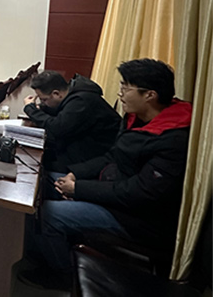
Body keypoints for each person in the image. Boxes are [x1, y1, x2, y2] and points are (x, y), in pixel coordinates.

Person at [19, 59, 192, 290]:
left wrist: (79, 189)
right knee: (42, 182)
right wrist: (75, 175)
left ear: (149, 95)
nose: (120, 94)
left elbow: (139, 192)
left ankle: (63, 274)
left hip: (135, 217)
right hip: (110, 188)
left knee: (47, 214)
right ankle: (44, 249)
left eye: (126, 88)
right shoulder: (137, 118)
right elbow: (112, 156)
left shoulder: (172, 138)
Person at [22, 70, 121, 173]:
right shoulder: (74, 94)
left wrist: (31, 110)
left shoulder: (82, 101)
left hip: (95, 159)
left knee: (37, 166)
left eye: (44, 100)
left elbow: (57, 128)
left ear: (56, 93)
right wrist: (41, 109)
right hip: (80, 149)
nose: (43, 102)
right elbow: (63, 112)